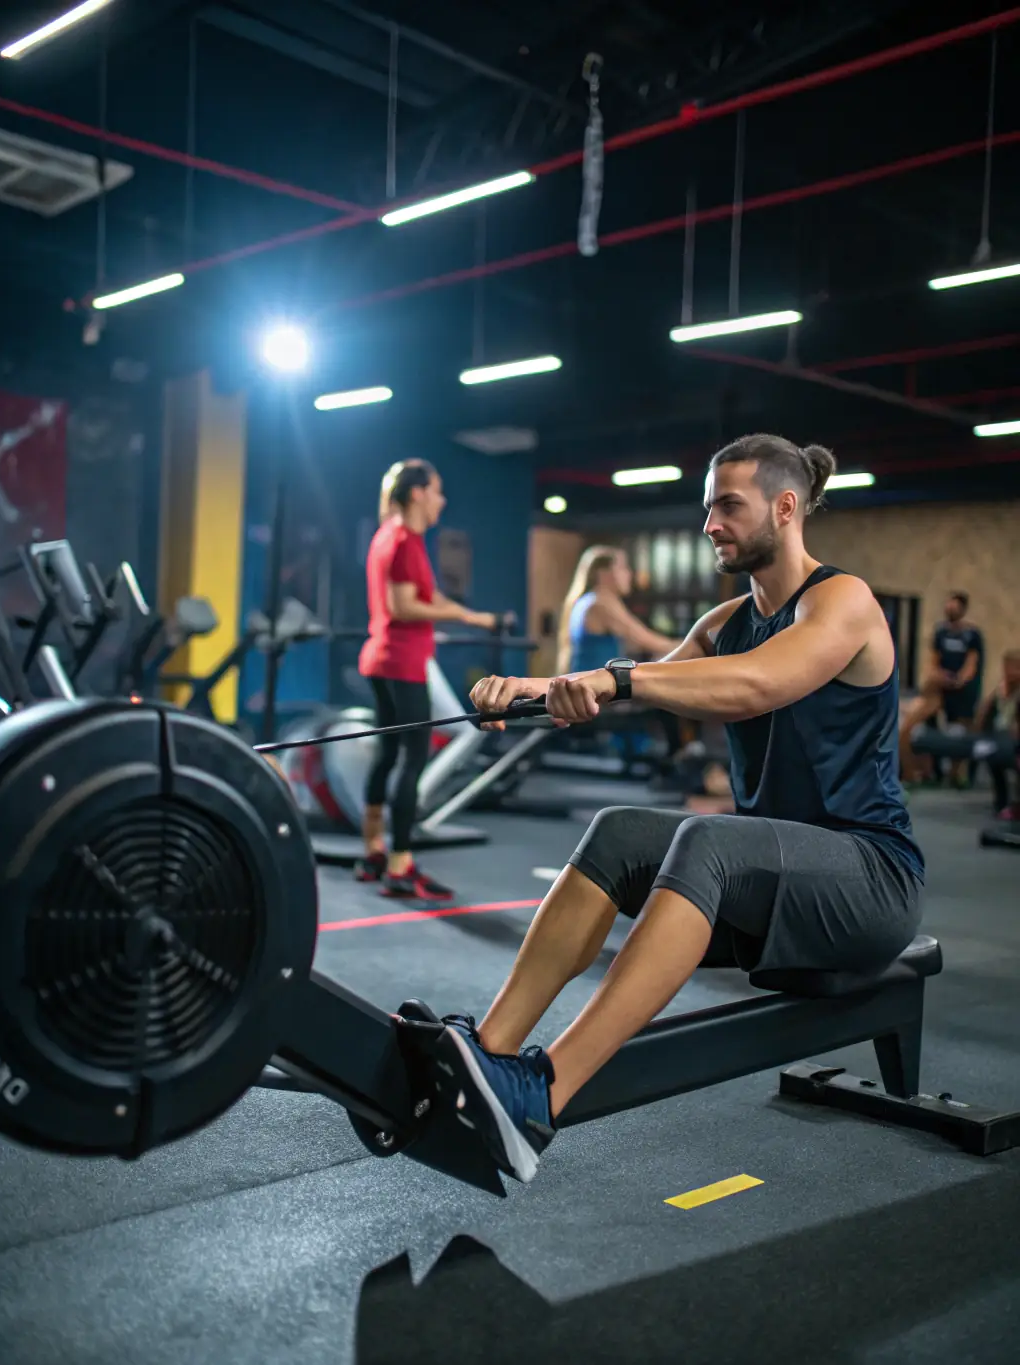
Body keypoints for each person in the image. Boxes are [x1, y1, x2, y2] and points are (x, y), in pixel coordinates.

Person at [429, 433, 924, 1185]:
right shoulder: (724, 622)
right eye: (708, 508)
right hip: (776, 873)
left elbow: (757, 684)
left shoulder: (841, 600)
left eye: (729, 505)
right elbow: (628, 683)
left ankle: (540, 1097)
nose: (710, 525)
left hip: (868, 879)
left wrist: (618, 680)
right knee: (620, 831)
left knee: (707, 840)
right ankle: (488, 1058)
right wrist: (529, 692)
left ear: (786, 508)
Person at [357, 459, 503, 899]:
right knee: (412, 760)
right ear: (418, 492)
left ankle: (373, 851)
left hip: (381, 658)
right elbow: (404, 606)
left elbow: (425, 596)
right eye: (437, 491)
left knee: (387, 757)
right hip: (402, 661)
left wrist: (475, 617)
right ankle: (400, 864)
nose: (442, 499)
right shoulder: (404, 538)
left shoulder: (392, 535)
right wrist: (457, 613)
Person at [558, 544, 684, 782]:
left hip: (594, 688)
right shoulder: (601, 603)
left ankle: (668, 758)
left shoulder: (589, 601)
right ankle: (676, 763)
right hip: (596, 695)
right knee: (673, 696)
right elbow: (646, 640)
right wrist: (700, 644)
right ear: (604, 574)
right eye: (623, 567)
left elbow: (633, 645)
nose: (630, 574)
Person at [899, 593, 984, 788]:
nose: (951, 611)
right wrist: (938, 676)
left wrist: (958, 680)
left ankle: (956, 775)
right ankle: (921, 773)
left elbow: (971, 665)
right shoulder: (941, 632)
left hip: (962, 694)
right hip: (939, 691)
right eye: (949, 607)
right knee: (918, 727)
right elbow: (934, 660)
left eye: (955, 608)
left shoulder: (971, 634)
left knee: (961, 733)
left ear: (963, 609)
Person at [974, 649, 1020, 819]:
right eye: (1007, 667)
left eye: (1015, 668)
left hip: (1014, 742)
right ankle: (1001, 801)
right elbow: (984, 713)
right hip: (999, 738)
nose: (1010, 672)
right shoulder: (1001, 689)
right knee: (993, 757)